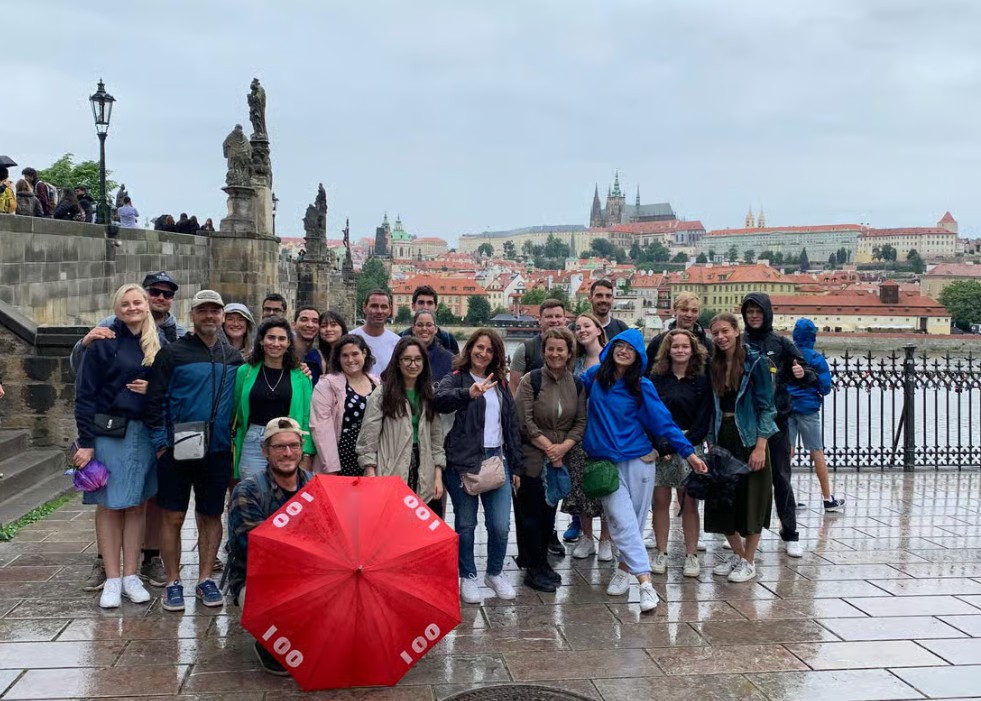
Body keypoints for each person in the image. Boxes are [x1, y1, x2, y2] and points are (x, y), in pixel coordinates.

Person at [72, 272, 188, 593]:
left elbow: (174, 386)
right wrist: (86, 442)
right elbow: (85, 393)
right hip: (111, 432)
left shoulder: (161, 343)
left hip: (146, 434)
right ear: (118, 309)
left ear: (146, 307)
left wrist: (153, 388)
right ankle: (111, 577)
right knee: (110, 504)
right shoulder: (105, 341)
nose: (133, 307)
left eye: (137, 302)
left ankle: (131, 575)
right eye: (127, 303)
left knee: (137, 503)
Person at [580, 329, 707, 612]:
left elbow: (664, 423)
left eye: (630, 349)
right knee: (621, 520)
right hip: (605, 465)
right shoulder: (594, 378)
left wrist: (688, 453)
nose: (623, 351)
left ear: (638, 356)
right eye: (619, 345)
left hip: (638, 461)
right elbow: (567, 392)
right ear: (611, 347)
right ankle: (646, 585)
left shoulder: (642, 385)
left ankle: (624, 570)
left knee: (634, 522)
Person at [145, 289, 244, 612]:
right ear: (193, 314)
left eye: (215, 311)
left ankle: (204, 579)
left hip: (215, 448)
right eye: (203, 310)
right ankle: (173, 581)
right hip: (178, 445)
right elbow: (155, 401)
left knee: (211, 514)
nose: (210, 316)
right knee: (172, 515)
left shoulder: (233, 358)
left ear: (222, 316)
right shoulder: (173, 354)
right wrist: (161, 445)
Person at [435, 329, 522, 606]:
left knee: (499, 525)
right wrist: (468, 394)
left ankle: (494, 573)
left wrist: (516, 466)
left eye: (489, 350)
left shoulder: (501, 383)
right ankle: (468, 575)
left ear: (496, 355)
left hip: (496, 460)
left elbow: (510, 426)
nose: (482, 354)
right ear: (469, 348)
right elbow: (439, 400)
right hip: (463, 462)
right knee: (466, 524)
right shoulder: (456, 377)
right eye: (478, 347)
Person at [225, 417, 312, 676]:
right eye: (279, 447)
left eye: (294, 446)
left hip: (309, 572)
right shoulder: (248, 491)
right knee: (282, 659)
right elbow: (255, 548)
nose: (288, 453)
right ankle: (269, 639)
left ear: (302, 448)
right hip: (260, 579)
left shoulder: (316, 486)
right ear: (265, 451)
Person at [741, 292, 818, 558]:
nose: (753, 316)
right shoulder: (739, 342)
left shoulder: (781, 343)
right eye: (749, 311)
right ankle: (745, 531)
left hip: (777, 421)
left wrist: (801, 373)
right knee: (744, 478)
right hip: (747, 423)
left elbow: (810, 374)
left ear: (767, 313)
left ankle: (790, 533)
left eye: (758, 311)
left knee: (782, 478)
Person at [705, 313, 778, 583]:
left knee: (752, 499)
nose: (721, 337)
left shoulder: (756, 362)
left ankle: (748, 560)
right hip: (722, 435)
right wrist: (710, 440)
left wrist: (761, 446)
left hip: (748, 436)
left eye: (725, 331)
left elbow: (767, 408)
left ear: (737, 331)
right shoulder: (713, 364)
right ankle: (737, 554)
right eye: (716, 333)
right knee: (721, 499)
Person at [515, 327, 586, 592]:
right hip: (533, 457)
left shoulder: (576, 384)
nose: (555, 354)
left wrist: (563, 447)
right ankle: (532, 568)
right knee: (530, 515)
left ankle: (542, 563)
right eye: (551, 349)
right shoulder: (530, 381)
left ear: (569, 353)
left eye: (561, 349)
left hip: (559, 460)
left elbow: (580, 422)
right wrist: (549, 448)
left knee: (548, 515)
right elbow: (525, 422)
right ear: (544, 351)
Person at [647, 329, 713, 578]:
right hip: (661, 447)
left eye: (685, 346)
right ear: (668, 349)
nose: (681, 350)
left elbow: (703, 418)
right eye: (676, 346)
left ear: (693, 349)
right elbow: (651, 415)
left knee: (689, 504)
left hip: (689, 446)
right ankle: (661, 551)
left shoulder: (701, 380)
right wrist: (662, 445)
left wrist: (683, 446)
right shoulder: (656, 378)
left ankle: (691, 554)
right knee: (660, 502)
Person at [357, 337, 445, 515]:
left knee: (420, 529)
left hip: (423, 471)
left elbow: (436, 438)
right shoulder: (383, 394)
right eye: (407, 359)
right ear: (397, 362)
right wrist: (370, 472)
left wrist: (437, 475)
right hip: (391, 470)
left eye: (418, 359)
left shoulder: (428, 394)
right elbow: (369, 437)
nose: (413, 364)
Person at [232, 317, 315, 482]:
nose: (276, 343)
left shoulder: (301, 376)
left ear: (289, 343)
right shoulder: (245, 372)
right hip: (254, 440)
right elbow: (236, 411)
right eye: (271, 337)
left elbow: (307, 416)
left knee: (286, 499)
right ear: (261, 341)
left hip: (288, 442)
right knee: (253, 493)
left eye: (282, 338)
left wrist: (306, 453)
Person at [564, 312, 614, 558]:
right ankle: (586, 537)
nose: (582, 330)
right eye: (578, 327)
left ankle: (606, 538)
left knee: (605, 483)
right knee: (581, 484)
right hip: (579, 431)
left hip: (606, 430)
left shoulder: (611, 356)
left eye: (587, 326)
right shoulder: (574, 361)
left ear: (598, 329)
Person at [71, 271, 188, 374]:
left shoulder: (180, 334)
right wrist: (83, 344)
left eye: (168, 294)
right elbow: (80, 368)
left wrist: (152, 387)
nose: (161, 298)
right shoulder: (109, 325)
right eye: (155, 292)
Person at [788, 318, 844, 513]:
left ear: (794, 335)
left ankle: (786, 497)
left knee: (788, 451)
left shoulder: (788, 354)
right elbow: (826, 387)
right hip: (808, 408)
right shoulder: (816, 358)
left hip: (787, 407)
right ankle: (827, 499)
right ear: (813, 336)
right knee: (816, 451)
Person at [309, 334, 380, 475]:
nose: (350, 360)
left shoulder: (376, 384)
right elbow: (321, 428)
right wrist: (331, 468)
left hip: (370, 460)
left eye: (355, 354)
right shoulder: (327, 385)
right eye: (345, 356)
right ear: (338, 358)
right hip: (338, 459)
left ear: (364, 353)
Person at [509, 299, 568, 394]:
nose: (554, 320)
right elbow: (514, 387)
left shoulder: (574, 347)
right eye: (549, 316)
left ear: (564, 320)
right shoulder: (525, 349)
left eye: (558, 316)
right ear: (540, 320)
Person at [646, 292, 713, 374]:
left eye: (694, 311)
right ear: (675, 310)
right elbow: (647, 373)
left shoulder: (707, 344)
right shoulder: (659, 341)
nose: (689, 314)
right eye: (684, 310)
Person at [398, 285, 460, 353]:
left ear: (436, 307)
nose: (425, 307)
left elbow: (458, 363)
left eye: (430, 303)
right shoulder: (399, 339)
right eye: (421, 302)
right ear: (413, 306)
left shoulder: (449, 340)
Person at [353, 289, 400, 374]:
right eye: (374, 306)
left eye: (384, 307)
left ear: (390, 310)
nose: (379, 311)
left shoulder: (397, 343)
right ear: (364, 307)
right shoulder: (350, 338)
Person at [411, 310, 454, 382]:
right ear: (413, 329)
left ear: (436, 329)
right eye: (420, 325)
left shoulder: (449, 359)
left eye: (429, 325)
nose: (424, 329)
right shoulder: (402, 356)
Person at [293, 306, 325, 387]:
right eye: (304, 320)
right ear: (294, 324)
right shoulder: (282, 352)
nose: (310, 325)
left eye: (315, 321)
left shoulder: (320, 357)